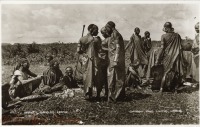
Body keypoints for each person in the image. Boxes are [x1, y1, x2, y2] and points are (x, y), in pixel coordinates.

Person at [156, 22, 184, 92]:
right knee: (175, 72)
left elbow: (162, 48)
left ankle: (161, 89)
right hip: (175, 56)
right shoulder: (177, 36)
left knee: (165, 72)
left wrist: (157, 58)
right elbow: (180, 47)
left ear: (166, 28)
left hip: (167, 56)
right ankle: (175, 89)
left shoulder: (163, 36)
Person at [77, 24, 101, 99]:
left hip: (85, 60)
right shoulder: (96, 40)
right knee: (96, 76)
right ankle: (98, 95)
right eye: (96, 30)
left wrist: (84, 53)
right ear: (91, 30)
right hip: (94, 60)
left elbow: (78, 51)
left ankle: (87, 94)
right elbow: (100, 50)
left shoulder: (82, 39)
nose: (97, 32)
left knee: (86, 76)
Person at [104, 21, 126, 102]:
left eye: (107, 27)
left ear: (111, 27)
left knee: (115, 78)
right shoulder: (113, 34)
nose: (106, 29)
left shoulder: (115, 34)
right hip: (114, 59)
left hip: (115, 59)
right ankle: (115, 97)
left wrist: (115, 59)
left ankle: (115, 97)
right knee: (114, 78)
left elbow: (118, 47)